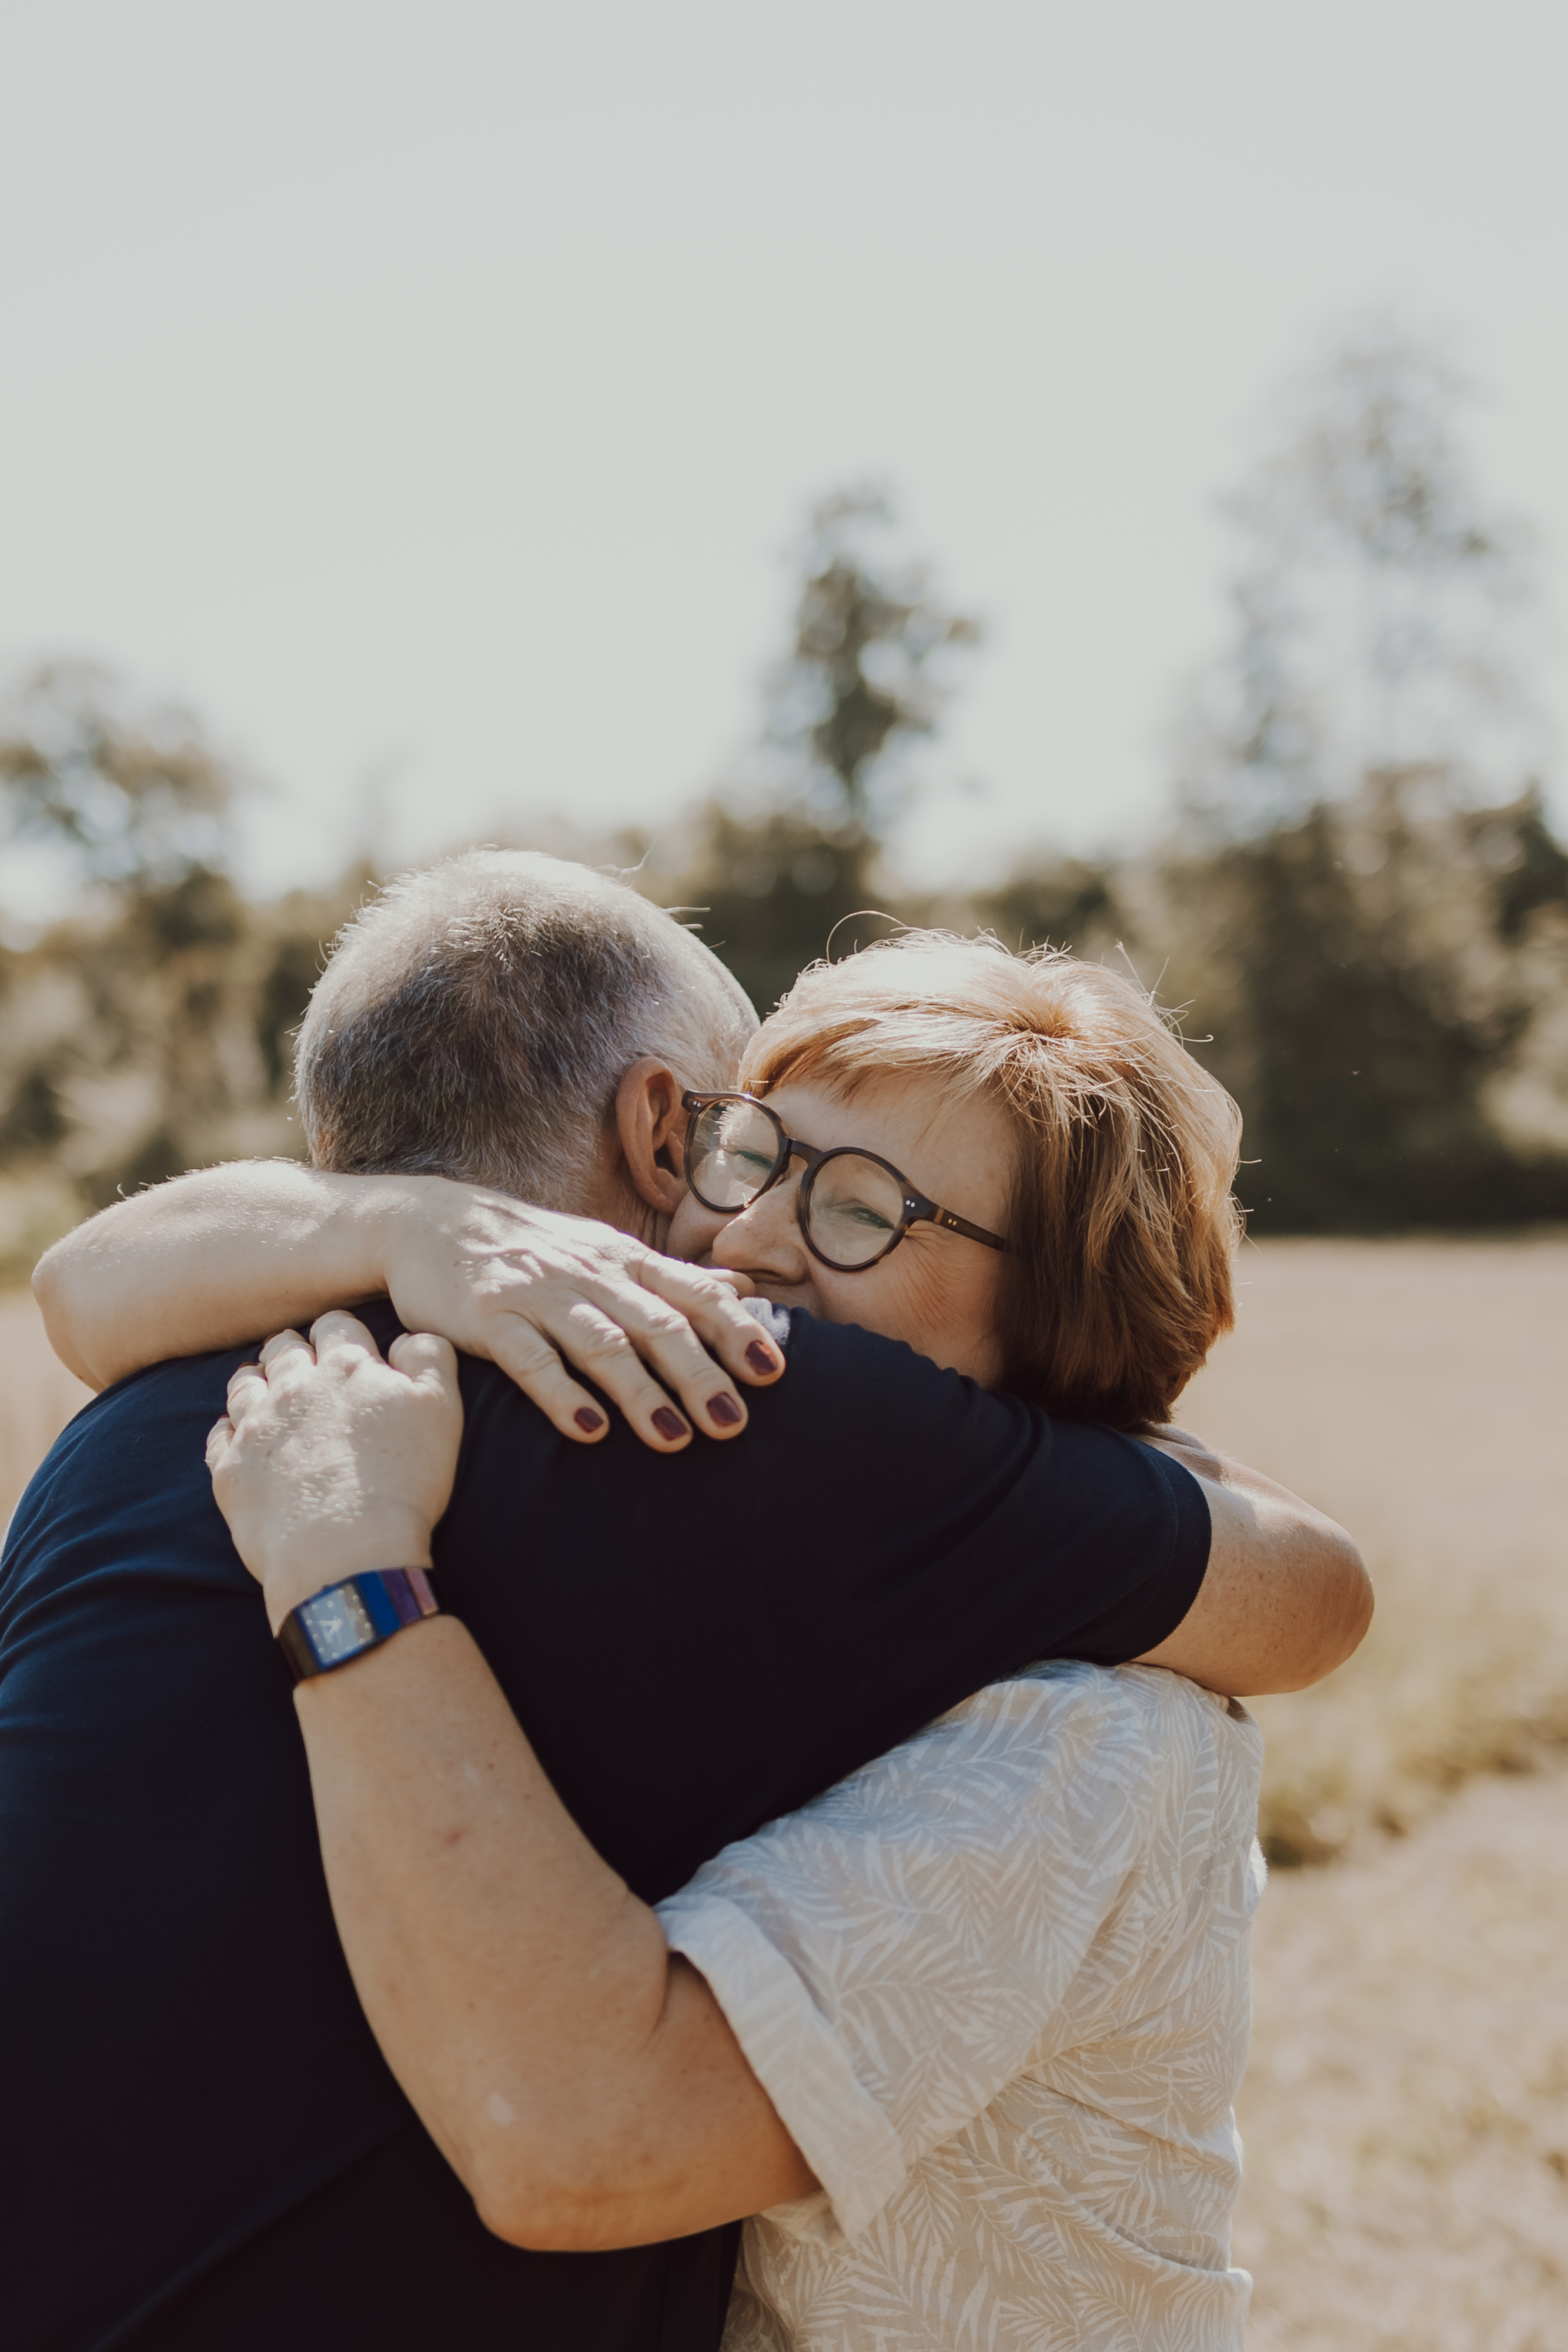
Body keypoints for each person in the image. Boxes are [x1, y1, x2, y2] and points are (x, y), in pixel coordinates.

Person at [8, 854, 1363, 2351]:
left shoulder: (141, 1420)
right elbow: (1309, 1582)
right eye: (751, 1150)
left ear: (1054, 1325)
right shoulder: (740, 1428)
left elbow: (76, 1283)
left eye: (864, 1207)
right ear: (674, 1127)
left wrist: (346, 1539)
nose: (754, 1233)